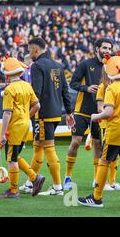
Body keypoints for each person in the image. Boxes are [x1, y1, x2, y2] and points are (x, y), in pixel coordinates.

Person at [77, 53, 120, 208]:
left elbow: (108, 112)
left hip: (114, 131)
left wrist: (96, 116)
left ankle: (96, 198)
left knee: (104, 162)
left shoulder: (111, 88)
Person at [26, 37, 75, 196]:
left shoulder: (37, 65)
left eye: (29, 50)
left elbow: (36, 92)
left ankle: (57, 186)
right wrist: (68, 112)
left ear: (35, 49)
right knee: (38, 147)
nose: (29, 53)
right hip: (55, 113)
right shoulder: (58, 65)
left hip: (43, 114)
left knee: (48, 148)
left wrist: (28, 111)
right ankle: (30, 182)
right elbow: (65, 91)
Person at [64, 38, 114, 190]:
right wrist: (86, 88)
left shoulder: (111, 66)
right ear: (97, 48)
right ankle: (67, 177)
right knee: (76, 142)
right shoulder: (86, 64)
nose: (107, 51)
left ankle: (96, 179)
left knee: (98, 145)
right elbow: (73, 83)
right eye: (104, 48)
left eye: (109, 48)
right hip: (82, 110)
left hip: (100, 112)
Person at [0, 56, 45, 198]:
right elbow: (37, 105)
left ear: (7, 73)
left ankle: (13, 191)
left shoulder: (9, 89)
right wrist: (25, 117)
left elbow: (7, 113)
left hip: (14, 127)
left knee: (11, 159)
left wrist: (3, 133)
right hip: (25, 125)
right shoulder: (27, 85)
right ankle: (35, 177)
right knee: (15, 155)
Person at [95, 69, 120, 191]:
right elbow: (100, 108)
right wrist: (110, 111)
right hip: (105, 125)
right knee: (105, 155)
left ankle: (112, 181)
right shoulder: (103, 87)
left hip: (116, 125)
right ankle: (102, 182)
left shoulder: (117, 86)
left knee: (114, 156)